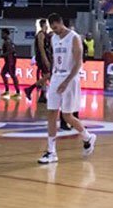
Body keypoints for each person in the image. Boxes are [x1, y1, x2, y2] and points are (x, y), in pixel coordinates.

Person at [37, 14, 96, 164]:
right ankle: (51, 151)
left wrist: (67, 81)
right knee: (51, 113)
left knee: (67, 116)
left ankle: (88, 137)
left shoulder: (74, 37)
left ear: (60, 22)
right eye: (52, 28)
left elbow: (78, 63)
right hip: (57, 77)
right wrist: (50, 76)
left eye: (56, 27)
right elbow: (56, 60)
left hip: (70, 78)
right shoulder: (54, 38)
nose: (54, 31)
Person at [24, 19, 50, 102]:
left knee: (45, 77)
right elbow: (41, 48)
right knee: (48, 75)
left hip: (44, 58)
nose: (47, 26)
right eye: (46, 24)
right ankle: (30, 89)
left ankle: (42, 95)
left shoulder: (45, 34)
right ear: (44, 25)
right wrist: (45, 59)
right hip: (42, 58)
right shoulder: (41, 34)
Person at [0, 29, 19, 98]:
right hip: (8, 61)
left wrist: (0, 55)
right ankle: (7, 90)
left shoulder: (7, 42)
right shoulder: (7, 41)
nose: (1, 35)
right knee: (3, 73)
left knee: (12, 75)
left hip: (11, 61)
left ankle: (18, 92)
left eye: (2, 33)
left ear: (6, 34)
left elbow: (11, 51)